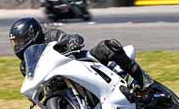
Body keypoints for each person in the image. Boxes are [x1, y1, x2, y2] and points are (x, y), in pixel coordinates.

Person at [8, 17, 152, 98]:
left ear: (32, 35)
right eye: (16, 42)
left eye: (21, 40)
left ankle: (142, 78)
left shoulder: (50, 35)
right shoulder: (25, 65)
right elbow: (34, 84)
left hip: (81, 63)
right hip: (60, 86)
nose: (19, 45)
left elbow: (71, 37)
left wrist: (72, 41)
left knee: (108, 46)